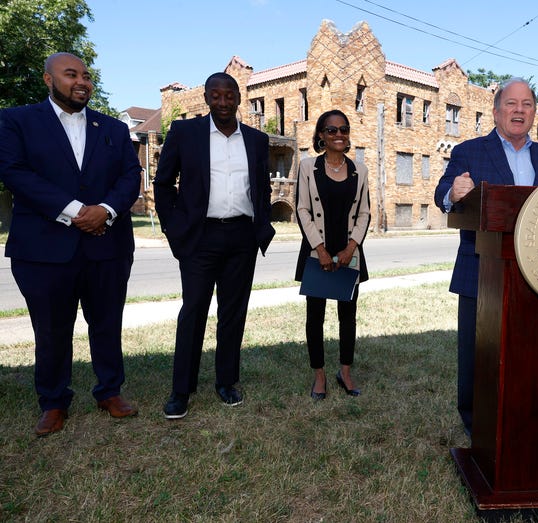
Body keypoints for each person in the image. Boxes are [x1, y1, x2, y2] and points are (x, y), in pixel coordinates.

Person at [0, 52, 141, 436]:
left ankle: (109, 391)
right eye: (71, 74)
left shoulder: (111, 127)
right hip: (43, 249)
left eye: (86, 75)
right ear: (48, 79)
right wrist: (78, 211)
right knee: (50, 329)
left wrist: (107, 210)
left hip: (107, 246)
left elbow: (131, 176)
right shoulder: (16, 120)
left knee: (107, 323)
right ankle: (53, 401)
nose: (82, 81)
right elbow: (14, 172)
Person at [434, 78, 538, 436]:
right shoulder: (469, 151)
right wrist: (453, 192)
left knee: (531, 353)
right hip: (482, 270)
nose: (519, 110)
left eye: (526, 104)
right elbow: (442, 192)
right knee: (480, 355)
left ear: (534, 112)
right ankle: (478, 427)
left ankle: (527, 420)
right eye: (511, 103)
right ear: (496, 112)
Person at [154, 72, 275, 419]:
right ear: (206, 99)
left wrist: (261, 224)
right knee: (193, 311)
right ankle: (181, 390)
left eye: (229, 96)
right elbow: (163, 184)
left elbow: (262, 187)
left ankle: (226, 382)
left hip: (241, 237)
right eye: (216, 96)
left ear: (239, 98)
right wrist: (174, 229)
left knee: (233, 313)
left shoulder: (255, 139)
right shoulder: (185, 134)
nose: (223, 103)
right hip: (199, 237)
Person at [294, 110, 370, 400]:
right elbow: (301, 208)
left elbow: (364, 212)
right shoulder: (307, 167)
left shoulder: (359, 170)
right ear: (321, 136)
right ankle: (319, 376)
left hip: (349, 252)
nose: (339, 134)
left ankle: (345, 372)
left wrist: (351, 247)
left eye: (344, 129)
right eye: (332, 130)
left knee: (347, 316)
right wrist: (320, 249)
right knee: (315, 317)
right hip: (318, 252)